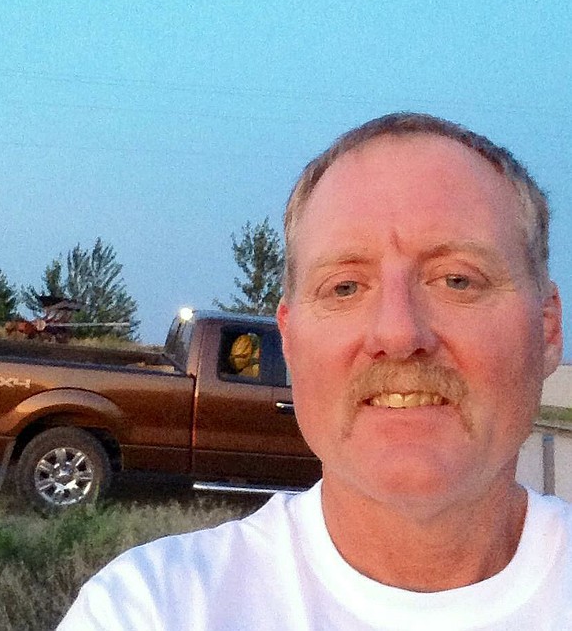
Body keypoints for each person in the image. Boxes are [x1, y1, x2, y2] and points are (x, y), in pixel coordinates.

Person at [58, 113, 567, 630]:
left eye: (457, 280)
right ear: (289, 339)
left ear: (548, 330)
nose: (397, 334)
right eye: (345, 287)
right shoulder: (153, 609)